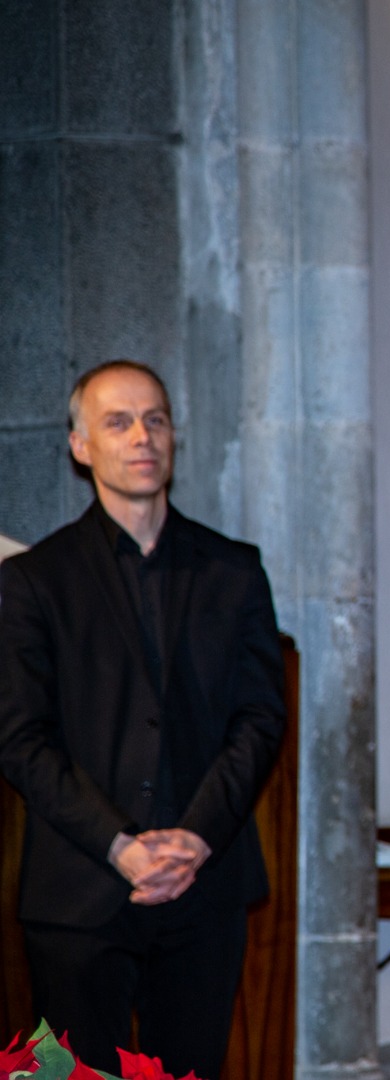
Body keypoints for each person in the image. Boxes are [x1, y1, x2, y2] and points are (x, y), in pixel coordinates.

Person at [0, 360, 285, 1078]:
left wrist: (196, 837)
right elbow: (21, 738)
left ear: (174, 436)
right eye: (118, 422)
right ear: (80, 446)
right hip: (78, 892)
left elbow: (260, 718)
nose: (141, 437)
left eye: (155, 419)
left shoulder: (235, 570)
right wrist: (119, 844)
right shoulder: (34, 580)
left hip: (204, 886)